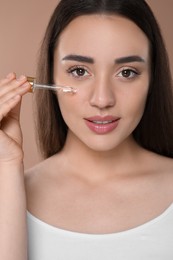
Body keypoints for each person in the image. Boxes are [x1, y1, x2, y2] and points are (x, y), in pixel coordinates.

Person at [0, 0, 173, 259]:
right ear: (51, 75)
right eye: (79, 71)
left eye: (126, 73)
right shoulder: (9, 190)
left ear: (152, 78)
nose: (102, 99)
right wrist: (7, 166)